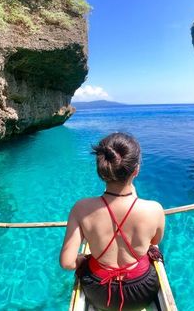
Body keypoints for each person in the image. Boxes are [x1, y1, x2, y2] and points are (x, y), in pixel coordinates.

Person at [59, 132, 165, 311]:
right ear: (136, 170)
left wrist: (84, 259)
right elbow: (153, 243)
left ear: (101, 170)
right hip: (142, 292)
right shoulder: (154, 209)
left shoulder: (81, 208)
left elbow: (67, 263)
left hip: (100, 293)